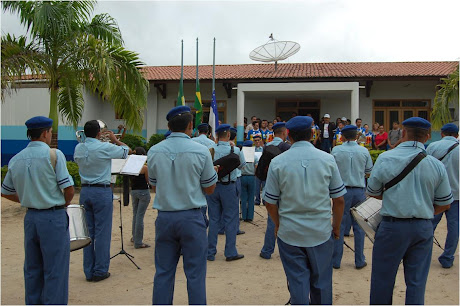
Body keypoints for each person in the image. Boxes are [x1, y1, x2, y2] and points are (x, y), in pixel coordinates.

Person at [367, 117, 453, 305]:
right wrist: (422, 210)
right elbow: (445, 203)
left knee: (383, 280)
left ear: (403, 133)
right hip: (422, 227)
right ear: (428, 137)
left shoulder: (385, 158)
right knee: (416, 283)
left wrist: (395, 200)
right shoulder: (436, 165)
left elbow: (372, 192)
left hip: (392, 227)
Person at [263, 116, 346, 304]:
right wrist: (337, 226)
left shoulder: (278, 162)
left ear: (288, 135)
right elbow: (339, 199)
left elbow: (270, 202)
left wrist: (278, 224)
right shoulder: (328, 159)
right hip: (321, 231)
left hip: (290, 232)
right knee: (322, 282)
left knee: (297, 281)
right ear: (313, 134)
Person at [1, 116, 75, 305]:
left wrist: (27, 199)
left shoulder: (16, 159)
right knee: (55, 269)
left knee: (33, 268)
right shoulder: (54, 155)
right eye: (50, 132)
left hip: (31, 217)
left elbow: (5, 192)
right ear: (45, 133)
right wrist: (63, 204)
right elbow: (68, 189)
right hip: (53, 216)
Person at [148, 106, 217, 304]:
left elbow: (153, 184)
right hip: (192, 217)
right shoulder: (201, 151)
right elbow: (210, 188)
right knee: (195, 274)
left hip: (165, 217)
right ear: (190, 125)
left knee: (163, 273)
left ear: (168, 126)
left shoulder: (154, 150)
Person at [74, 120, 130, 282]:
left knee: (88, 233)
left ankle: (88, 270)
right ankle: (100, 270)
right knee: (102, 233)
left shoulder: (79, 147)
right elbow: (126, 150)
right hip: (102, 190)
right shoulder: (104, 147)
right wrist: (114, 139)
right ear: (99, 133)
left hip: (85, 190)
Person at [331, 125, 373, 269]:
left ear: (342, 137)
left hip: (341, 191)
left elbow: (331, 170)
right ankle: (359, 260)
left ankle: (336, 260)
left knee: (338, 225)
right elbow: (368, 171)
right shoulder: (364, 151)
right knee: (359, 227)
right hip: (359, 190)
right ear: (356, 136)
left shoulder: (336, 150)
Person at [207, 124, 246, 262]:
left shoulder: (210, 149)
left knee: (213, 219)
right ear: (229, 135)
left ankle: (210, 251)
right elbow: (242, 165)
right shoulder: (235, 149)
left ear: (216, 136)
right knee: (231, 219)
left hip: (213, 187)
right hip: (229, 186)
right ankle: (230, 251)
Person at [427, 123, 459, 268]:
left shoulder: (433, 147)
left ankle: (424, 255)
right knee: (454, 227)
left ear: (442, 134)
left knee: (429, 225)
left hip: (436, 195)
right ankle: (447, 257)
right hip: (456, 195)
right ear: (457, 135)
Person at [259, 122, 291, 260]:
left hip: (270, 186)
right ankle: (288, 251)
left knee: (272, 221)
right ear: (284, 133)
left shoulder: (267, 146)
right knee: (288, 220)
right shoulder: (287, 147)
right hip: (285, 188)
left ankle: (267, 250)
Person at [130, 147, 151, 249]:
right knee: (140, 216)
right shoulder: (144, 168)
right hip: (143, 191)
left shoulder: (131, 166)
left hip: (133, 191)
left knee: (135, 214)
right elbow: (148, 181)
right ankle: (138, 241)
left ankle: (134, 236)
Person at [240, 140, 259, 221]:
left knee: (243, 197)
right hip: (251, 177)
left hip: (243, 177)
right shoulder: (254, 156)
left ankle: (244, 216)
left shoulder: (241, 156)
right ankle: (250, 216)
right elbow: (256, 167)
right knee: (251, 197)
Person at [253, 135, 264, 206]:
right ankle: (257, 200)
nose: (257, 142)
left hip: (262, 169)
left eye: (258, 140)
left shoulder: (263, 149)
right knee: (256, 186)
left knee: (264, 186)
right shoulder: (252, 150)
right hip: (255, 169)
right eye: (256, 140)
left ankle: (264, 200)